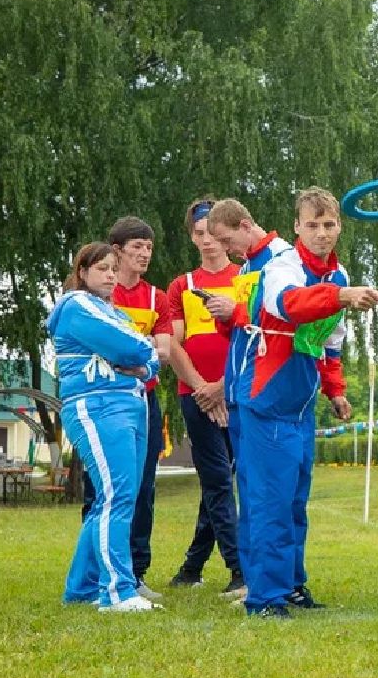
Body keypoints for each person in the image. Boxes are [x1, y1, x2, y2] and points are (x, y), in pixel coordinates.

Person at [206, 193, 378, 617]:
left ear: (339, 226)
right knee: (268, 500)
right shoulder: (281, 265)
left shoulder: (339, 273)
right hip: (266, 394)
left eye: (330, 225)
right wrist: (339, 297)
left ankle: (292, 586)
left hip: (301, 399)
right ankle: (264, 597)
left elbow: (329, 341)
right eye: (313, 225)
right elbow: (287, 305)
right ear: (298, 227)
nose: (322, 233)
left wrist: (335, 390)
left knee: (295, 501)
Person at [47, 242, 161, 612]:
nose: (111, 275)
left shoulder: (112, 311)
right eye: (102, 269)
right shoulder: (75, 306)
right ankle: (117, 592)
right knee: (117, 498)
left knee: (110, 500)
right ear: (82, 272)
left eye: (114, 269)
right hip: (98, 406)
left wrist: (144, 359)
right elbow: (134, 348)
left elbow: (151, 359)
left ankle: (81, 588)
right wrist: (144, 355)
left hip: (128, 405)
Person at [78, 217, 173, 599]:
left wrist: (135, 351)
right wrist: (139, 346)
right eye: (136, 247)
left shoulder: (157, 299)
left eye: (149, 248)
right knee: (101, 490)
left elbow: (163, 352)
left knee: (141, 487)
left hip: (142, 399)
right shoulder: (95, 296)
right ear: (115, 251)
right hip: (101, 400)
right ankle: (99, 573)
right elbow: (102, 348)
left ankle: (136, 570)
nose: (144, 254)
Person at [163, 197, 246, 597]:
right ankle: (239, 570)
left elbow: (251, 339)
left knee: (225, 483)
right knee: (216, 482)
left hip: (240, 395)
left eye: (214, 233)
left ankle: (193, 566)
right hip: (195, 397)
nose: (209, 241)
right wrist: (202, 388)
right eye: (200, 234)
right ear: (192, 237)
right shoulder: (182, 285)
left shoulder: (246, 276)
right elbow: (172, 345)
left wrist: (224, 388)